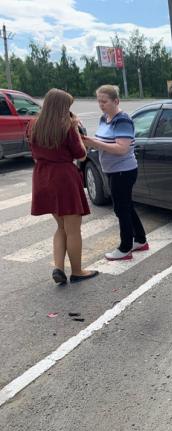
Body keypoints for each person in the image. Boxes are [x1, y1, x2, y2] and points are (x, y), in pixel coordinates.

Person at [28, 89, 99, 284]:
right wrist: (76, 130)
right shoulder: (67, 126)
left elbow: (33, 154)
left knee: (61, 226)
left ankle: (58, 267)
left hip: (43, 177)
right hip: (64, 178)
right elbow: (81, 155)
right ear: (62, 107)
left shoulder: (34, 125)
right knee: (73, 229)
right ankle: (77, 271)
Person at [82, 85, 148, 260]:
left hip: (123, 171)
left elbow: (121, 148)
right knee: (125, 206)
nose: (101, 105)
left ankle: (125, 248)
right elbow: (103, 139)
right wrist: (90, 141)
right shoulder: (104, 118)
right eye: (99, 101)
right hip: (112, 170)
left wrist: (95, 143)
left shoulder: (123, 120)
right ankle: (140, 240)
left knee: (121, 209)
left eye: (104, 101)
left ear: (116, 101)